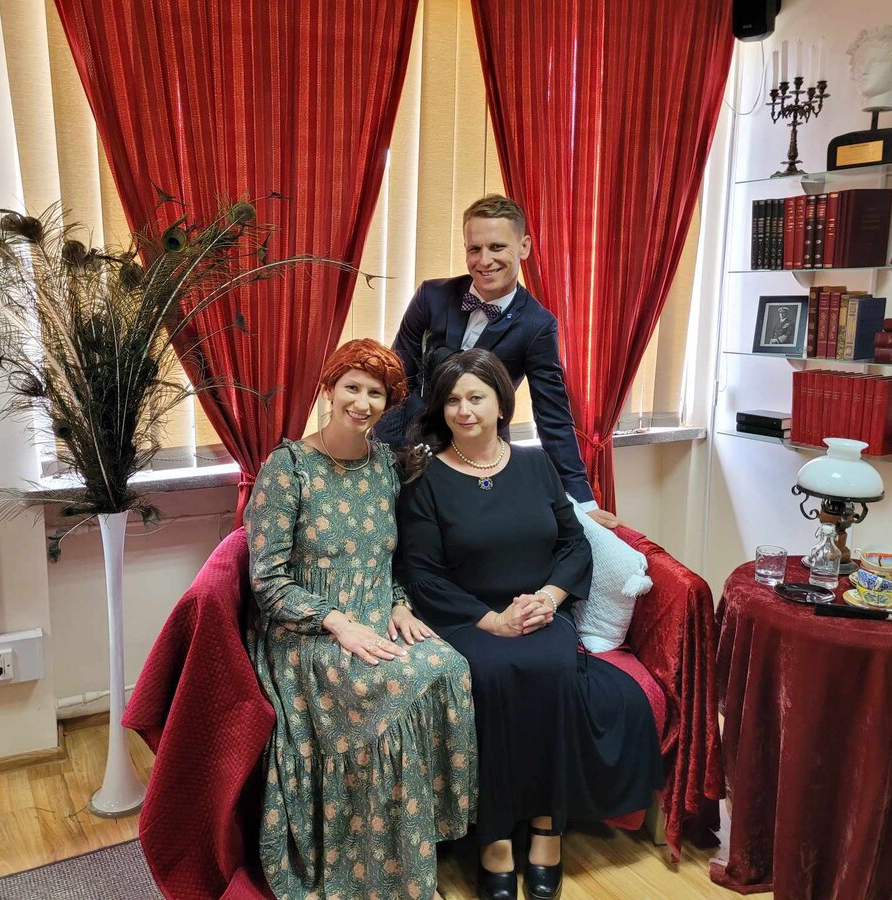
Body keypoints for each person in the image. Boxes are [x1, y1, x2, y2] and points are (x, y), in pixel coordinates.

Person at [395, 349, 662, 900]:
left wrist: (548, 597)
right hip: (469, 617)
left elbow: (573, 544)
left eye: (476, 397)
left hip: (539, 611)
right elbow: (422, 574)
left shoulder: (537, 465)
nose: (464, 411)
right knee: (493, 676)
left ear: (500, 404)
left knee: (553, 669)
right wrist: (491, 620)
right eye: (452, 400)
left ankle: (547, 828)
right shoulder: (425, 479)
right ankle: (494, 839)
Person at [244, 339, 476, 900]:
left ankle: (412, 848)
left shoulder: (384, 466)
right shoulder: (287, 468)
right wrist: (337, 623)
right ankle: (388, 875)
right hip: (305, 630)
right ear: (329, 390)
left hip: (375, 612)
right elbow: (267, 580)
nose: (363, 402)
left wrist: (397, 602)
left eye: (377, 393)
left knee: (449, 667)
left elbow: (385, 559)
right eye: (352, 387)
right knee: (393, 682)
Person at [374, 194, 619, 529]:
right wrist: (385, 457)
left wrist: (582, 500)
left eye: (497, 247)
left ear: (524, 247)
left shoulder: (537, 325)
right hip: (406, 448)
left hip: (478, 461)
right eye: (475, 249)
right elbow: (396, 380)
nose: (484, 260)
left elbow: (553, 416)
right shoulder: (431, 296)